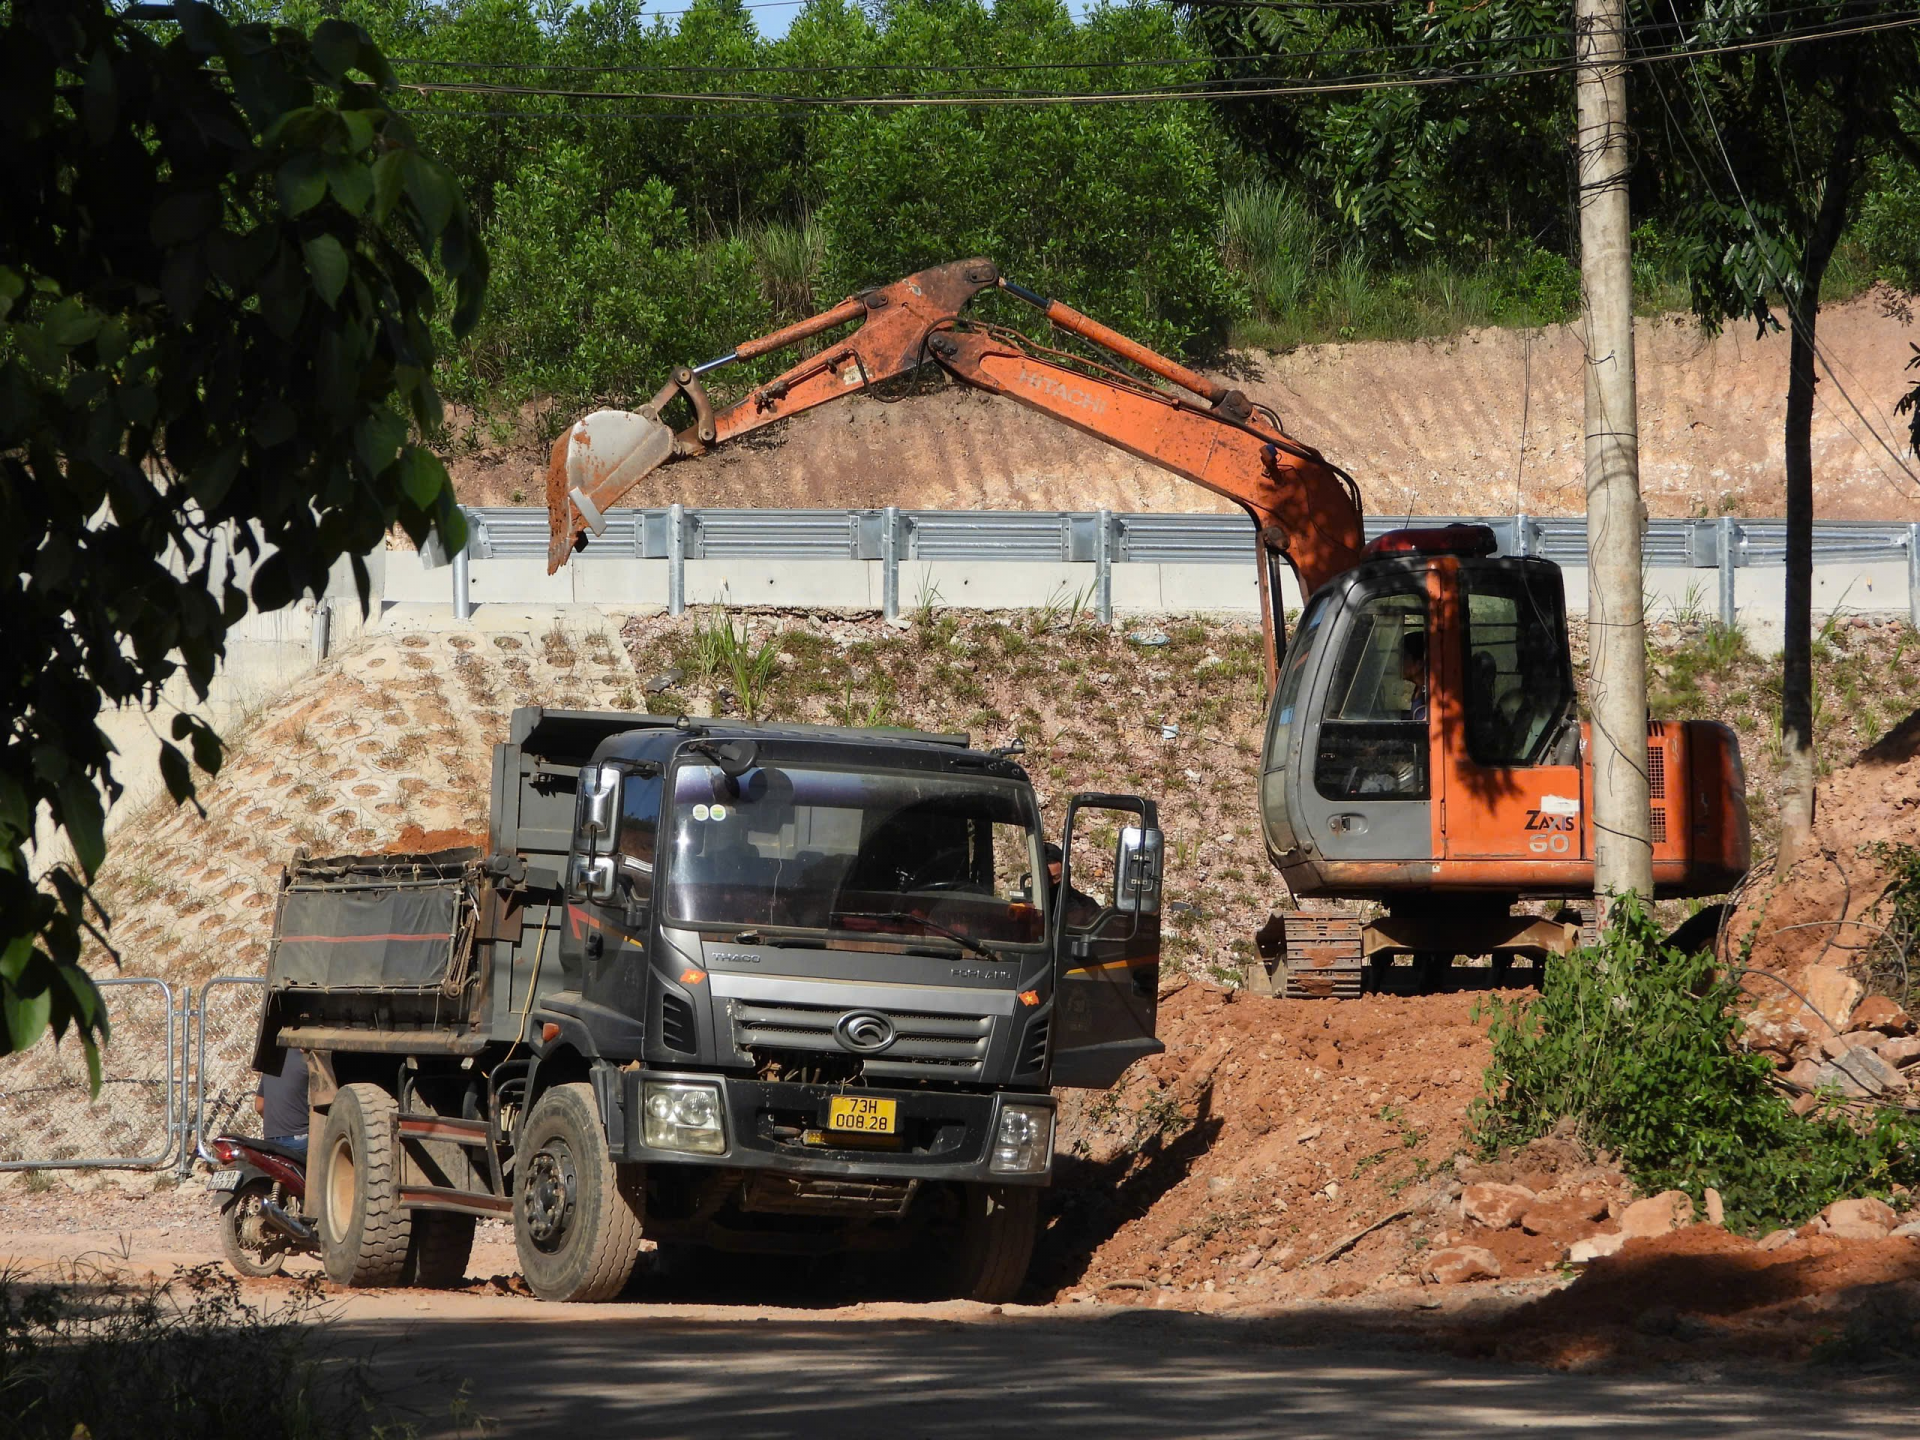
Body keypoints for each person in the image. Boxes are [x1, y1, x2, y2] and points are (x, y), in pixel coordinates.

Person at [254, 1047, 309, 1145]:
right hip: (301, 1136)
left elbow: (259, 1106)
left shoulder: (274, 1059)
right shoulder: (311, 1059)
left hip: (271, 1140)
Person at [1043, 842, 1103, 929]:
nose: (1051, 884)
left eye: (1056, 878)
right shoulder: (1030, 904)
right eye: (1046, 879)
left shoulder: (1086, 906)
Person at [1400, 630, 1428, 721]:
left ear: (1419, 663)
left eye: (1403, 657)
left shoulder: (1432, 697)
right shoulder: (1420, 689)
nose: (1399, 662)